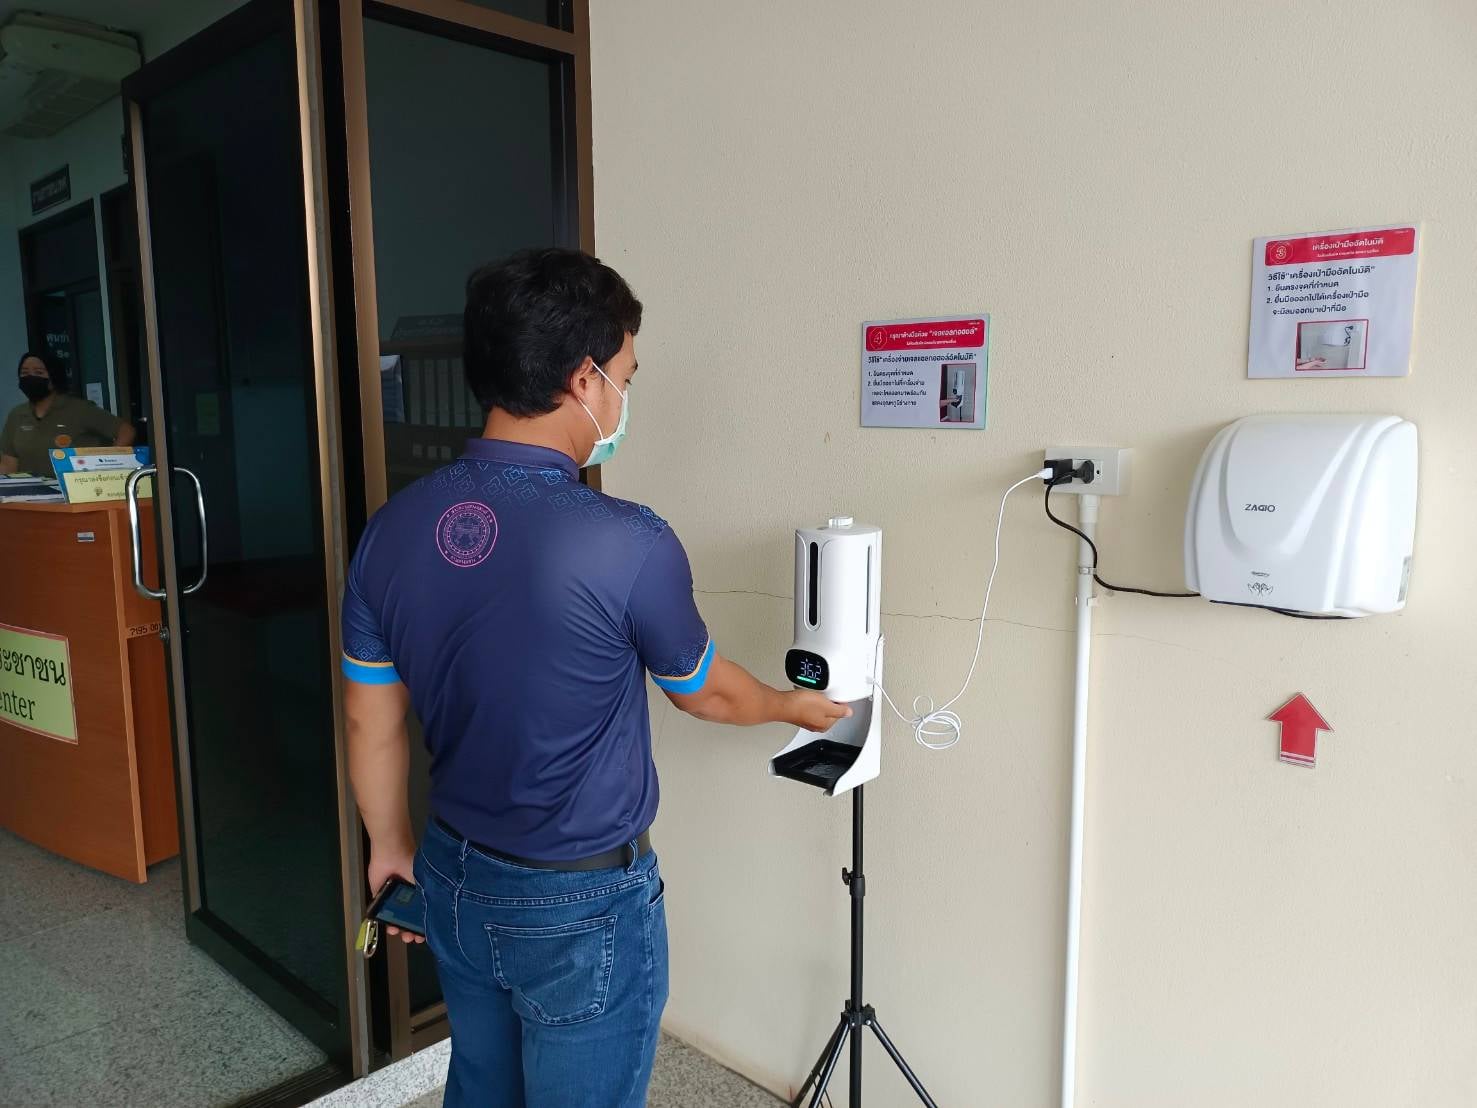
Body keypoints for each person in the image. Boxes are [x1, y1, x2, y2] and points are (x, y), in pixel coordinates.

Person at [341, 248, 851, 1108]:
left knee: (482, 1087)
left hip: (452, 873)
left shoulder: (392, 529)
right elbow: (706, 692)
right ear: (584, 379)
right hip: (580, 903)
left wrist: (388, 848)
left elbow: (370, 721)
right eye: (625, 375)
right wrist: (790, 705)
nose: (623, 397)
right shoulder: (627, 539)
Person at [1, 351, 135, 476]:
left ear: (54, 377)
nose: (30, 377)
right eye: (24, 373)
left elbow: (126, 431)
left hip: (77, 489)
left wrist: (107, 465)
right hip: (30, 491)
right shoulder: (17, 415)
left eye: (39, 372)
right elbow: (8, 463)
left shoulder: (80, 409)